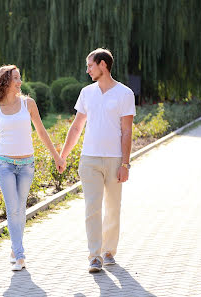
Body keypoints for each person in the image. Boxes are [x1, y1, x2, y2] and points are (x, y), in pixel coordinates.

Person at [59, 48, 136, 273]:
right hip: (89, 159)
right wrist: (63, 155)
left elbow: (127, 131)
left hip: (114, 160)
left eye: (90, 65)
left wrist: (125, 164)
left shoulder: (124, 93)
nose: (87, 70)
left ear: (103, 65)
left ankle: (109, 251)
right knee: (92, 208)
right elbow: (76, 127)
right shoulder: (86, 92)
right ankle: (94, 256)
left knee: (113, 208)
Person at [0, 65, 65, 271]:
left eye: (20, 78)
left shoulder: (28, 104)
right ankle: (19, 255)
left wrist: (56, 156)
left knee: (20, 209)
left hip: (27, 164)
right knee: (13, 209)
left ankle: (15, 246)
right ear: (5, 82)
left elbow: (41, 131)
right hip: (5, 164)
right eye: (16, 78)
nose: (20, 82)